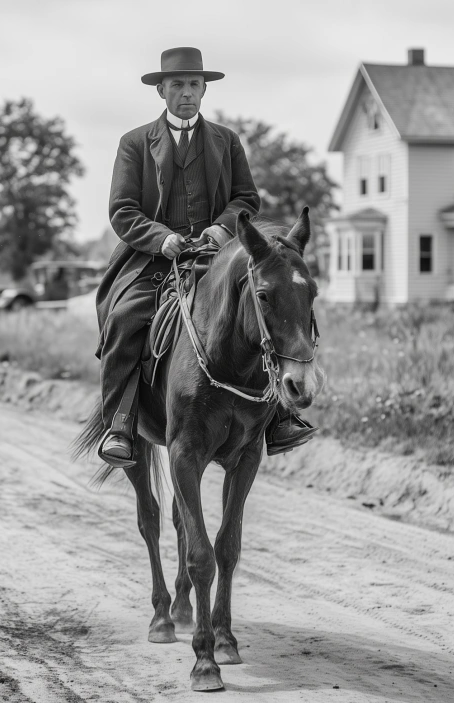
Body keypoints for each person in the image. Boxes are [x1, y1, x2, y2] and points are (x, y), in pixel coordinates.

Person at [95, 46, 317, 467]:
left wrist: (221, 227)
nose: (187, 93)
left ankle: (278, 419)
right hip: (154, 260)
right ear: (161, 90)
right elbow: (122, 210)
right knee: (124, 319)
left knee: (271, 306)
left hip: (218, 257)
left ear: (203, 90)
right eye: (177, 84)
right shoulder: (135, 143)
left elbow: (245, 198)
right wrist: (161, 239)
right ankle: (120, 422)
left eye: (194, 85)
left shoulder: (226, 141)